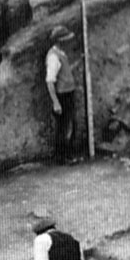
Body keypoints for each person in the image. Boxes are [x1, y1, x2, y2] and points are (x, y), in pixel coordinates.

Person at [44, 24, 81, 164]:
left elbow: (64, 72)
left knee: (69, 125)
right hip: (62, 96)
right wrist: (56, 102)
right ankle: (63, 157)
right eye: (66, 39)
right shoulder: (53, 57)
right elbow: (50, 81)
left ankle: (66, 155)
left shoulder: (61, 54)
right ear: (60, 41)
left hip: (67, 94)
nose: (69, 41)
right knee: (65, 127)